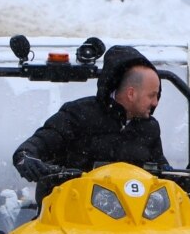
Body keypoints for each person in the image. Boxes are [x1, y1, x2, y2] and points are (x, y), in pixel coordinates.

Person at [13, 46, 166, 197]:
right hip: (72, 210)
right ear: (131, 93)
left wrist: (182, 178)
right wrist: (27, 157)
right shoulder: (79, 115)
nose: (155, 103)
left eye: (157, 96)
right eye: (152, 95)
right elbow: (39, 143)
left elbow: (163, 171)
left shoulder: (149, 128)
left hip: (136, 215)